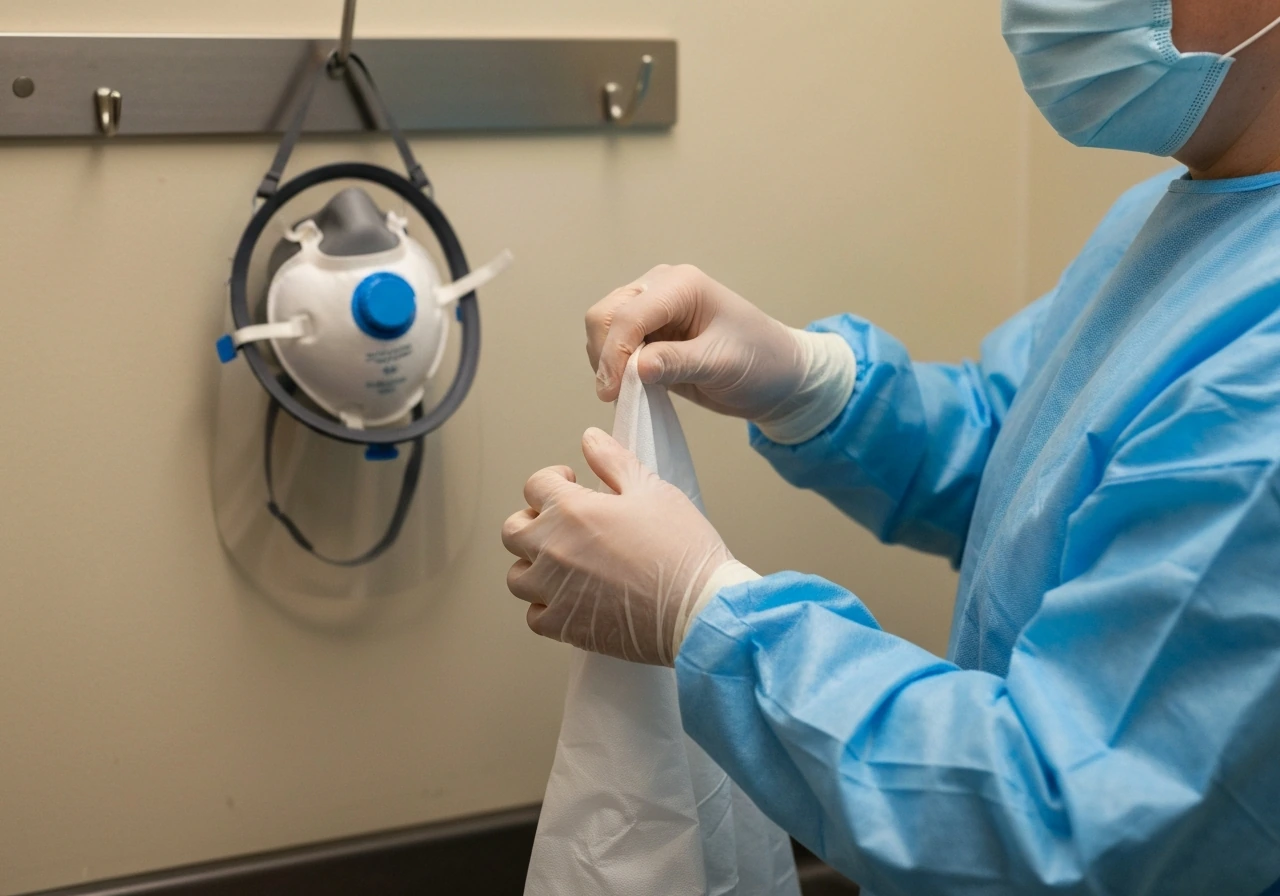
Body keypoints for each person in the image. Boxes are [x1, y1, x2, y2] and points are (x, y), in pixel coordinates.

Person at [502, 1, 1280, 893]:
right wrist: (814, 382)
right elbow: (1041, 458)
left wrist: (704, 614)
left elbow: (1069, 822)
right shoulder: (1186, 212)